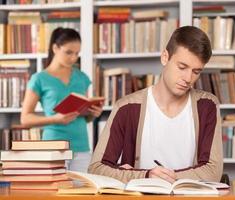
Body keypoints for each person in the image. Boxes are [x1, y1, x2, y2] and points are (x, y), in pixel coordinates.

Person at [88, 26, 223, 183]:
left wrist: (157, 177)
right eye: (182, 67)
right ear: (165, 57)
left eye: (196, 72)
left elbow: (213, 171)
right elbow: (96, 169)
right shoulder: (127, 107)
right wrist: (145, 175)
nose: (188, 78)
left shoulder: (207, 106)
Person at [21, 27, 103, 172]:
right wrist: (55, 119)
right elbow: (25, 119)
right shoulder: (39, 79)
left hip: (82, 147)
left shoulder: (81, 77)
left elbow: (84, 118)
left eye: (77, 53)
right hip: (54, 147)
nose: (74, 58)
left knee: (82, 193)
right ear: (55, 48)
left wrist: (93, 113)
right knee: (56, 192)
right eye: (69, 52)